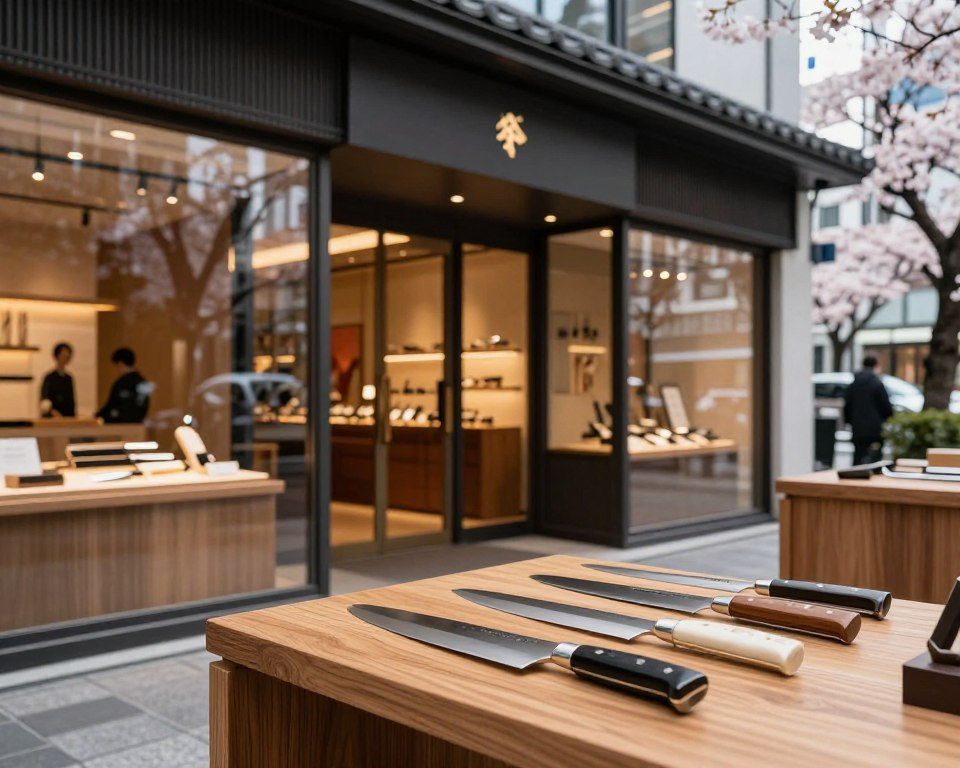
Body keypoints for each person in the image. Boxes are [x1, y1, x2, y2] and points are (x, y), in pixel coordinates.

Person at [844, 355, 893, 465]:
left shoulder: (854, 384)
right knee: (875, 460)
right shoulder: (877, 383)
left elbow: (847, 406)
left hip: (858, 428)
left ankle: (855, 480)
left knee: (858, 458)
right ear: (875, 365)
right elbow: (886, 406)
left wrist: (849, 421)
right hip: (875, 429)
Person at [96, 347, 151, 423]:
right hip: (138, 423)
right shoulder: (142, 382)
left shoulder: (121, 383)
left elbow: (111, 404)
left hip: (119, 423)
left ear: (120, 364)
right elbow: (144, 406)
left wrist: (97, 416)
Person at [39, 342, 76, 418]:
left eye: (68, 356)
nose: (66, 358)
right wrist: (53, 412)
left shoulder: (69, 378)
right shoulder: (50, 377)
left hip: (67, 417)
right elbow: (44, 399)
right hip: (52, 418)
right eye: (63, 355)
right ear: (57, 356)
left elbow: (71, 401)